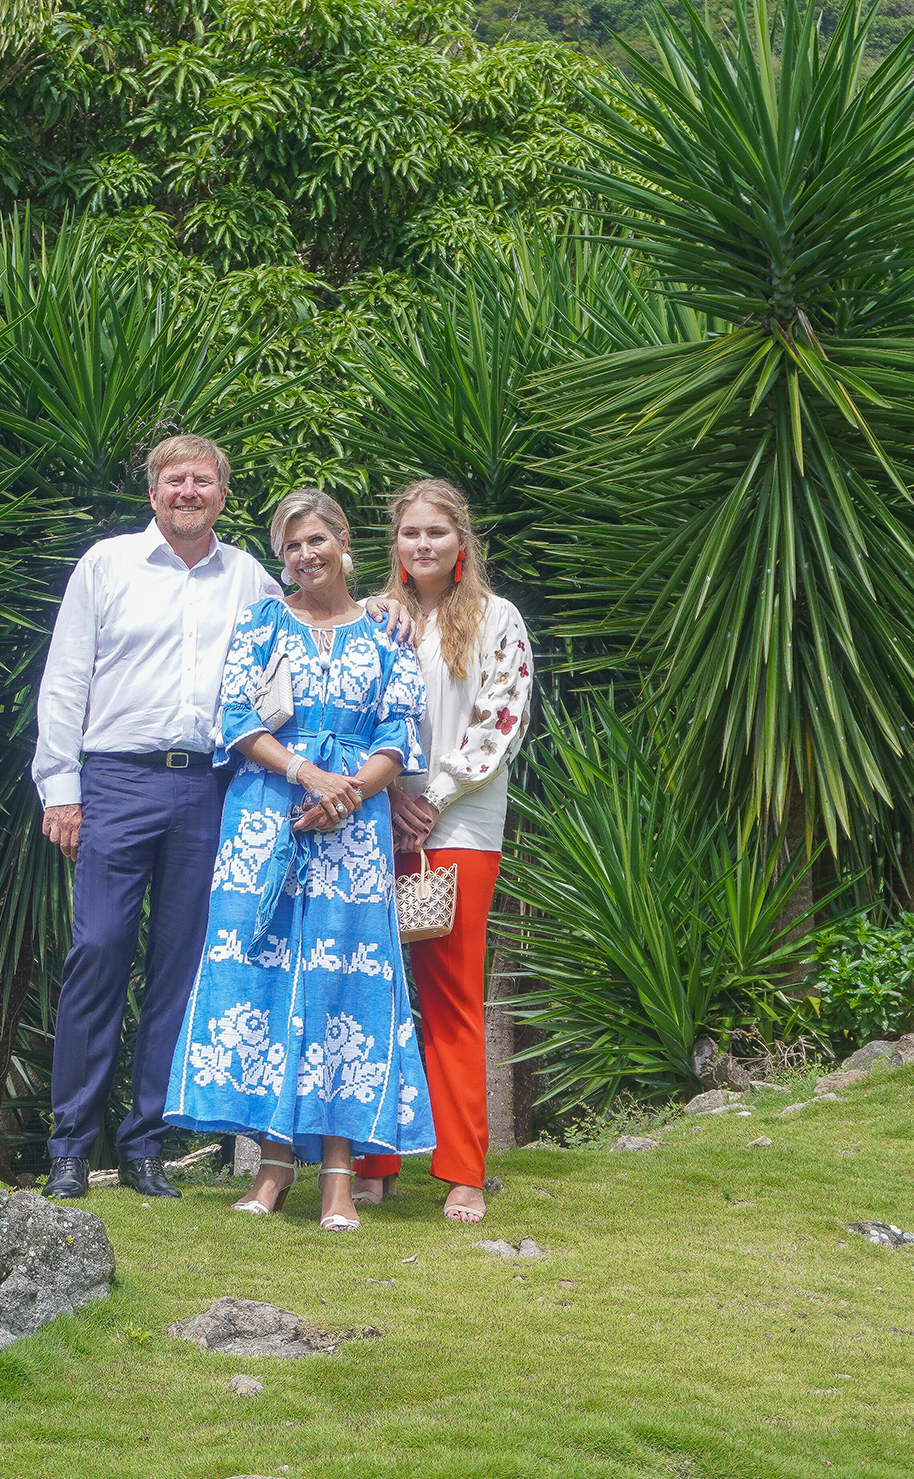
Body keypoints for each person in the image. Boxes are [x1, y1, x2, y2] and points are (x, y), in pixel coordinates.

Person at [31, 438, 407, 1201]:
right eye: (176, 480)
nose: (189, 491)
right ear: (153, 490)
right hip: (117, 778)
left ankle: (143, 1147)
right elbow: (65, 679)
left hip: (210, 788)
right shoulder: (106, 565)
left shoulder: (248, 578)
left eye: (203, 481)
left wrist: (382, 608)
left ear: (223, 495)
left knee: (179, 965)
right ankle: (70, 1144)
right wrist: (59, 787)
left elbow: (318, 613)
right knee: (98, 951)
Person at [163, 489, 435, 1232]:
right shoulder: (262, 621)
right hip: (265, 817)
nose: (304, 555)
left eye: (316, 540)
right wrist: (307, 775)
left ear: (343, 543)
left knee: (341, 985)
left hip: (354, 828)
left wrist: (347, 796)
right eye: (290, 546)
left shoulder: (386, 632)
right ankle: (274, 1165)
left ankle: (340, 1176)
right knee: (264, 975)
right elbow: (238, 719)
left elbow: (397, 732)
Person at [352, 479, 534, 1224]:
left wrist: (433, 796)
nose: (421, 544)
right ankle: (374, 1160)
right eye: (408, 533)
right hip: (374, 820)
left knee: (452, 998)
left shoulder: (498, 619)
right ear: (393, 543)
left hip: (458, 828)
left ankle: (462, 1167)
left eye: (436, 531)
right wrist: (390, 794)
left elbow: (501, 721)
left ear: (463, 540)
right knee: (374, 993)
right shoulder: (373, 616)